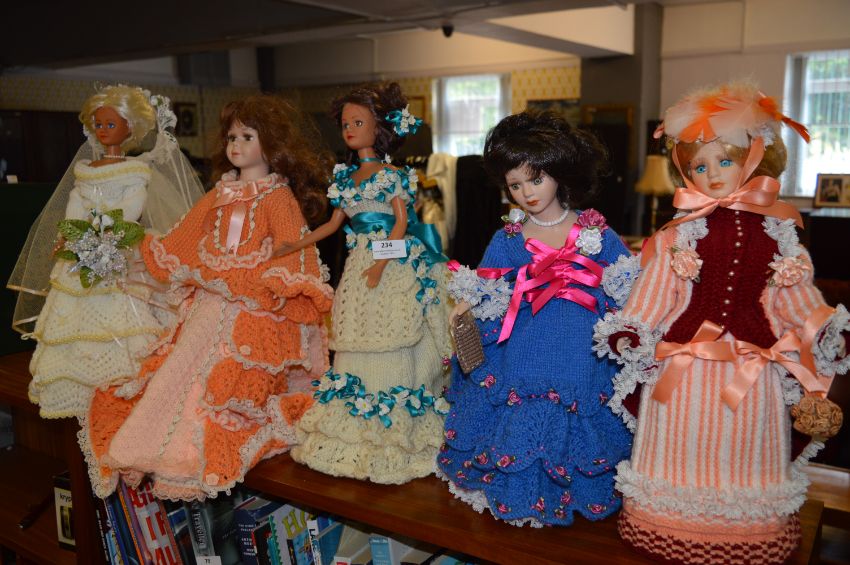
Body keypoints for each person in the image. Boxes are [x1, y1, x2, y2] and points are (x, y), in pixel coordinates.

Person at [594, 82, 847, 564]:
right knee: (679, 441)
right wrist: (633, 326)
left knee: (744, 447)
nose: (711, 174)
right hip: (684, 367)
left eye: (724, 161)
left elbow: (793, 295)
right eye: (699, 166)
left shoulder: (777, 233)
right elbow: (657, 289)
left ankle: (746, 531)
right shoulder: (679, 233)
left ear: (755, 162)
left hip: (751, 367)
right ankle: (667, 523)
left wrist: (823, 327)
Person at [79, 95, 334, 500]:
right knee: (183, 367)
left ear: (270, 144)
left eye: (247, 136)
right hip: (211, 297)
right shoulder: (221, 193)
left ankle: (188, 447)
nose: (236, 145)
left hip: (251, 304)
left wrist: (278, 279)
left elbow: (292, 244)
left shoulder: (276, 196)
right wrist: (156, 248)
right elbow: (188, 233)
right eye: (232, 137)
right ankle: (150, 441)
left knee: (224, 377)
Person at [439, 110, 635, 526]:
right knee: (523, 396)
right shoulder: (508, 238)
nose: (526, 193)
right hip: (527, 338)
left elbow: (625, 283)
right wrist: (468, 305)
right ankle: (523, 488)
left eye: (535, 179)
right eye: (515, 185)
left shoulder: (595, 232)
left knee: (579, 398)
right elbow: (490, 285)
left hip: (583, 341)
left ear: (559, 173)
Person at [282, 82, 453, 484]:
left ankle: (392, 409)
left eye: (358, 122)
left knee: (394, 327)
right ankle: (355, 413)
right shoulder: (344, 179)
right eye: (346, 123)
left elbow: (401, 223)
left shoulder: (393, 176)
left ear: (379, 128)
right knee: (353, 326)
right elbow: (332, 225)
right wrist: (298, 242)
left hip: (390, 262)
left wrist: (380, 263)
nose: (350, 129)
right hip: (360, 260)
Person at [7, 84, 203, 419]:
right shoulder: (87, 170)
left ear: (130, 127)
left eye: (111, 124)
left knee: (129, 312)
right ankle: (79, 382)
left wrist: (106, 230)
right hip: (85, 244)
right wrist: (74, 231)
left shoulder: (135, 170)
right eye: (98, 124)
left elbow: (133, 204)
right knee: (73, 314)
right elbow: (76, 200)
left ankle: (127, 381)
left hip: (120, 244)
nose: (103, 130)